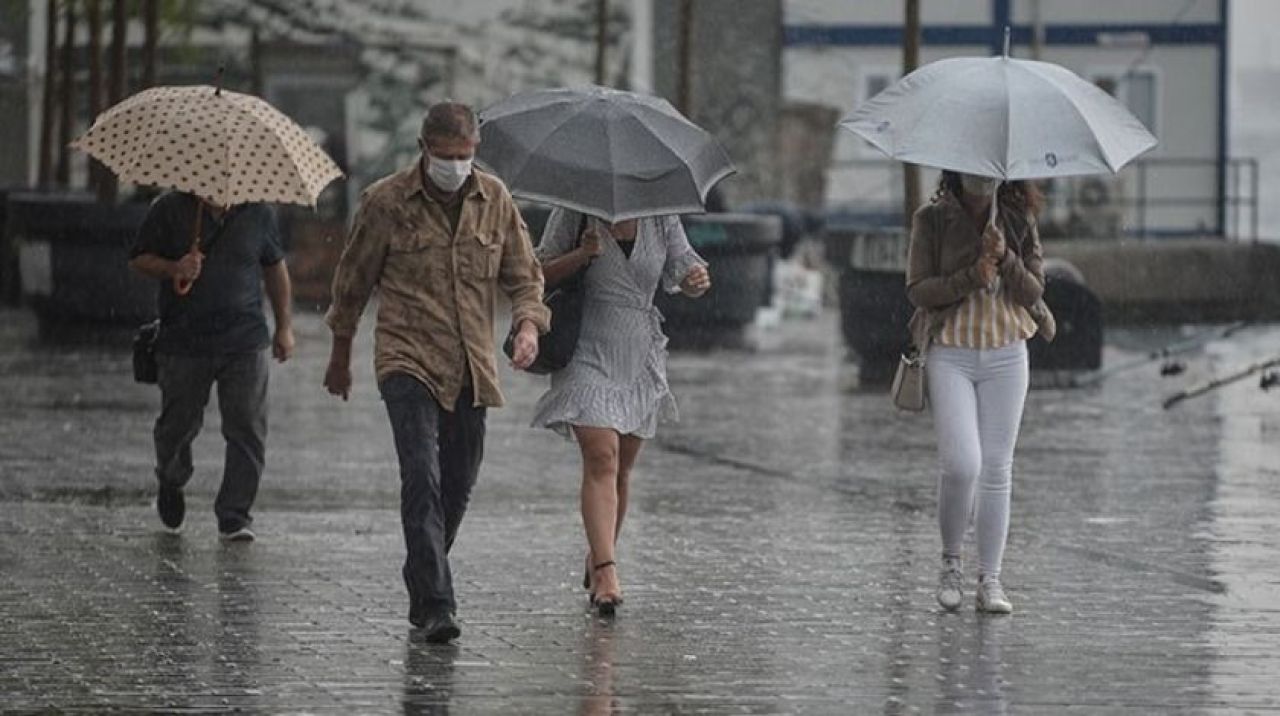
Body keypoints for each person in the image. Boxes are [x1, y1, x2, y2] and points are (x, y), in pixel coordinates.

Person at [323, 102, 550, 642]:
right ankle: (435, 605)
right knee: (421, 474)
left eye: (465, 155)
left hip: (472, 363)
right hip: (407, 357)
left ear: (476, 150)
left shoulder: (494, 199)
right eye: (446, 156)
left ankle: (423, 567)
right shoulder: (386, 202)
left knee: (459, 483)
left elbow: (525, 277)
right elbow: (352, 283)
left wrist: (527, 327)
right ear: (424, 149)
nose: (455, 166)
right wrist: (339, 354)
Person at [531, 207, 711, 616]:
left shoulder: (661, 215)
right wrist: (581, 255)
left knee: (622, 467)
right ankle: (608, 570)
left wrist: (696, 280)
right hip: (585, 349)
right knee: (601, 456)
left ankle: (599, 553)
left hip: (638, 352)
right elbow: (536, 273)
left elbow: (685, 267)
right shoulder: (575, 210)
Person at [905, 171, 1054, 615]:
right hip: (951, 350)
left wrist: (1005, 257)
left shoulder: (1017, 216)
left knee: (996, 467)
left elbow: (1034, 289)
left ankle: (990, 577)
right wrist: (974, 273)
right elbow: (918, 290)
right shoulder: (930, 219)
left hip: (1008, 352)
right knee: (960, 463)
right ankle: (951, 561)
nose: (981, 179)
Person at [129, 191, 294, 542]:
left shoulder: (259, 212)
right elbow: (139, 259)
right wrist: (174, 267)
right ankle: (171, 478)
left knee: (248, 427)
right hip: (184, 341)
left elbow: (275, 268)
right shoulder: (170, 208)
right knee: (178, 424)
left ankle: (235, 514)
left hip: (245, 339)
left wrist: (284, 327)